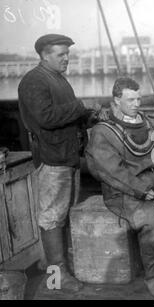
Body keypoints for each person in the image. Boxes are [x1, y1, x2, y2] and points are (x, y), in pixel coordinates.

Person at [85, 77, 154, 300]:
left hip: (153, 186)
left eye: (138, 98)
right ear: (116, 100)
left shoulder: (145, 122)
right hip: (122, 193)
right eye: (131, 99)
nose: (137, 103)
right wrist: (140, 190)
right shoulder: (103, 132)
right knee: (151, 222)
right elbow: (111, 171)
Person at [18, 34, 103, 292]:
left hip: (66, 157)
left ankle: (53, 263)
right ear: (44, 55)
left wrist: (88, 116)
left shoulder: (57, 79)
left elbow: (64, 116)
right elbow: (45, 117)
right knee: (52, 218)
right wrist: (79, 106)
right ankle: (57, 277)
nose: (67, 58)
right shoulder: (35, 80)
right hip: (52, 159)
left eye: (68, 54)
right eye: (60, 54)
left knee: (62, 216)